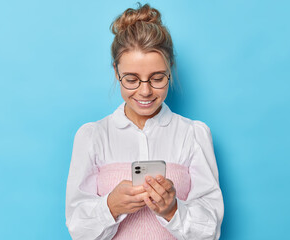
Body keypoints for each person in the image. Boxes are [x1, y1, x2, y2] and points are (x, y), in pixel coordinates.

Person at [65, 3, 224, 240]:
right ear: (116, 73)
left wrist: (172, 210)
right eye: (131, 79)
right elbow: (78, 230)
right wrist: (111, 206)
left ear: (170, 70)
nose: (145, 91)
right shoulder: (92, 136)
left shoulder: (194, 134)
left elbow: (210, 232)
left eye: (157, 78)